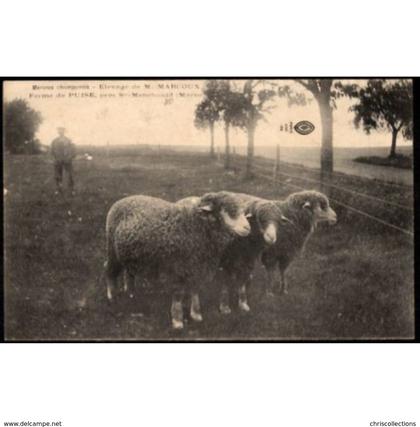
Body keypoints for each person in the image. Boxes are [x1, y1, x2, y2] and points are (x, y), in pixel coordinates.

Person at [51, 127, 76, 195]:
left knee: (70, 175)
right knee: (58, 175)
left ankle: (72, 190)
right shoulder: (54, 141)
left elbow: (73, 150)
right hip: (58, 160)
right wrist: (56, 158)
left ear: (64, 131)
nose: (60, 131)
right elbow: (52, 151)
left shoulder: (68, 140)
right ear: (58, 132)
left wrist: (70, 157)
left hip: (67, 160)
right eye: (59, 130)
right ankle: (58, 190)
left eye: (62, 130)